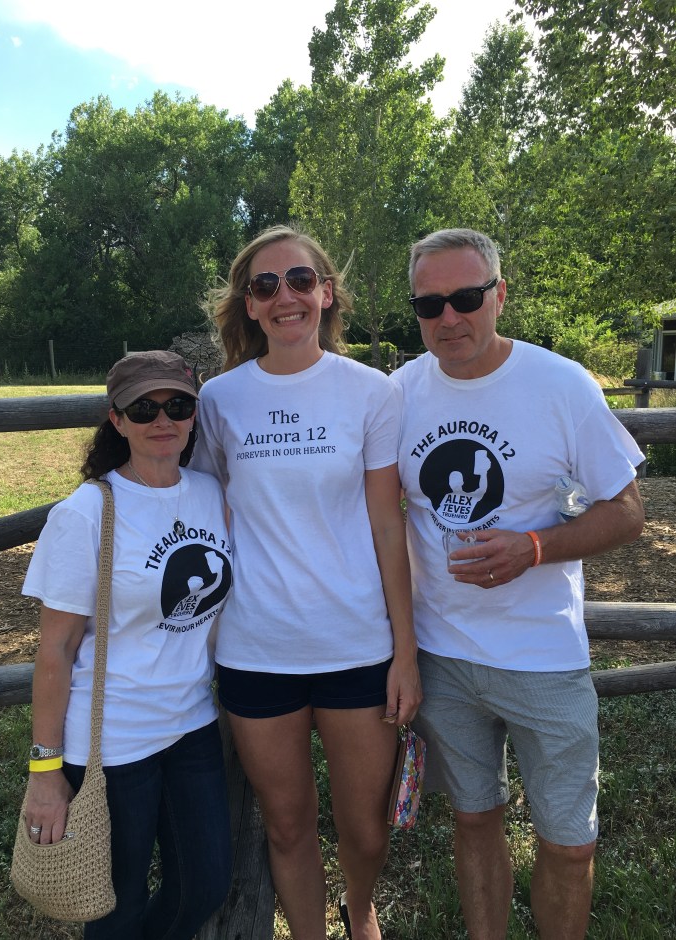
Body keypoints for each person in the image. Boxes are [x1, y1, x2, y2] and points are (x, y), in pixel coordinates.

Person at [392, 229, 645, 939]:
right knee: (474, 820)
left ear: (500, 295)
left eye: (466, 298)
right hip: (443, 654)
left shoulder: (560, 385)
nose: (449, 317)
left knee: (570, 843)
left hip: (543, 655)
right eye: (430, 304)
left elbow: (627, 510)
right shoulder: (399, 392)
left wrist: (533, 548)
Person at [191, 224, 421, 940]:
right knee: (287, 827)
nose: (284, 296)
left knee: (366, 829)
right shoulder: (218, 400)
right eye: (265, 285)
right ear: (249, 305)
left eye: (299, 280)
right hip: (256, 649)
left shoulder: (371, 392)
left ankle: (359, 908)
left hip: (358, 646)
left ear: (326, 292)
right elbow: (203, 512)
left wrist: (405, 652)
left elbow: (388, 527)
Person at [21, 350, 233, 940]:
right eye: (143, 409)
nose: (162, 419)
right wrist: (45, 771)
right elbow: (56, 651)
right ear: (116, 420)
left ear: (194, 415)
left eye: (177, 405)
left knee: (205, 885)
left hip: (192, 726)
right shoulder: (87, 512)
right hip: (112, 744)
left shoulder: (210, 493)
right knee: (117, 906)